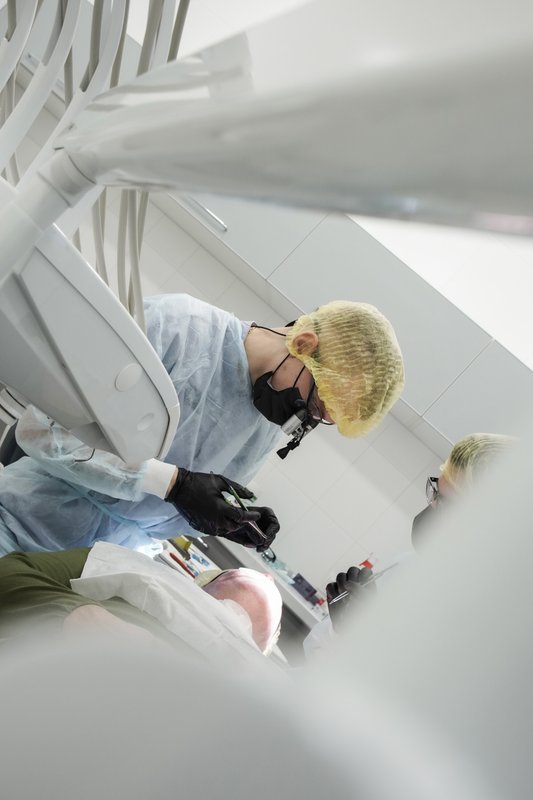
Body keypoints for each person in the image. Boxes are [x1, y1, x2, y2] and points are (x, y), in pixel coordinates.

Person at [0, 294, 404, 556]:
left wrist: (225, 520)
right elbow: (43, 428)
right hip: (18, 523)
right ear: (303, 345)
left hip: (90, 569)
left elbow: (168, 510)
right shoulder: (180, 327)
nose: (302, 419)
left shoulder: (266, 424)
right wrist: (172, 483)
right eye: (314, 403)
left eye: (319, 419)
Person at [304, 432, 513, 657]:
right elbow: (314, 650)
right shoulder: (407, 566)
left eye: (445, 505)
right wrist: (342, 632)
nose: (431, 507)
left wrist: (367, 638)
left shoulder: (489, 624)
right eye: (435, 492)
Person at [0, 542, 283, 660]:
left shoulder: (133, 572)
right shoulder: (136, 572)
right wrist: (85, 616)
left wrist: (82, 615)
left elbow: (9, 573)